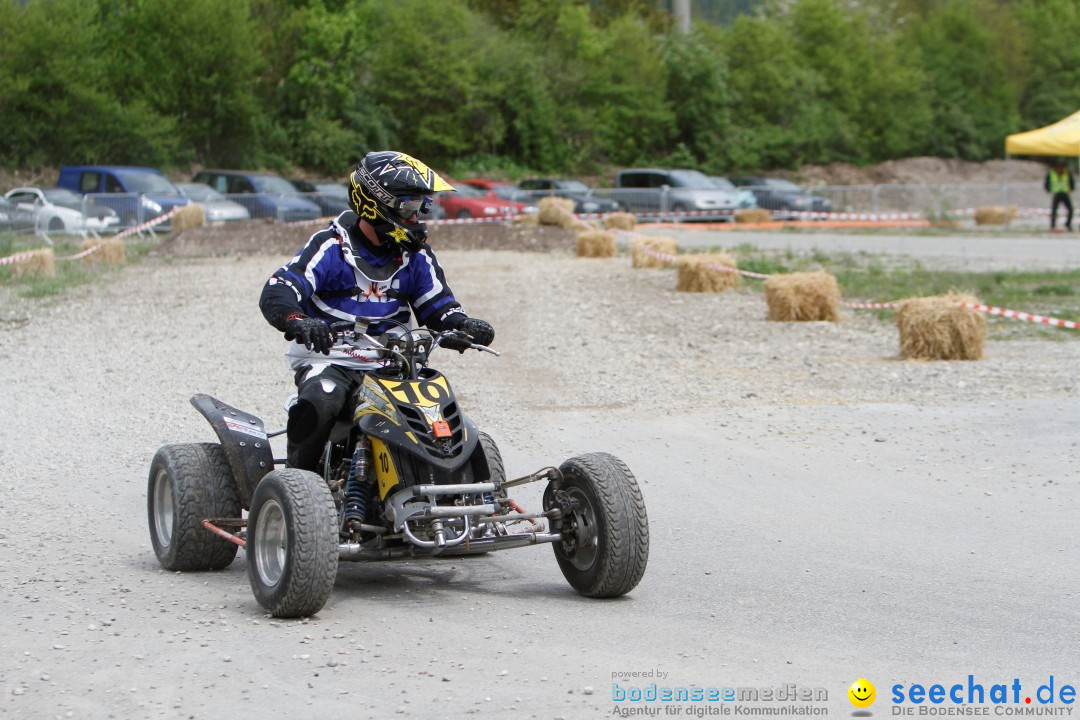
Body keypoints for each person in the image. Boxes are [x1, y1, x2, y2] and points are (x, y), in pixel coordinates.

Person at [259, 150, 495, 471]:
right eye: (409, 208)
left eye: (421, 208)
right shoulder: (331, 247)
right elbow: (279, 290)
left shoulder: (416, 256)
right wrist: (299, 321)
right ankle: (302, 484)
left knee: (439, 413)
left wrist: (463, 325)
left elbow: (438, 307)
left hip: (394, 362)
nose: (416, 219)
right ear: (376, 205)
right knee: (319, 402)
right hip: (332, 359)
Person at [1044, 160, 1074, 232]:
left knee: (1070, 209)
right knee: (1054, 210)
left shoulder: (1067, 172)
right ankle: (1053, 226)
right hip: (1056, 193)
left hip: (1065, 193)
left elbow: (1071, 182)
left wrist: (1071, 188)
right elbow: (1047, 183)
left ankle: (1068, 224)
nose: (1059, 168)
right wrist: (1049, 190)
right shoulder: (1051, 173)